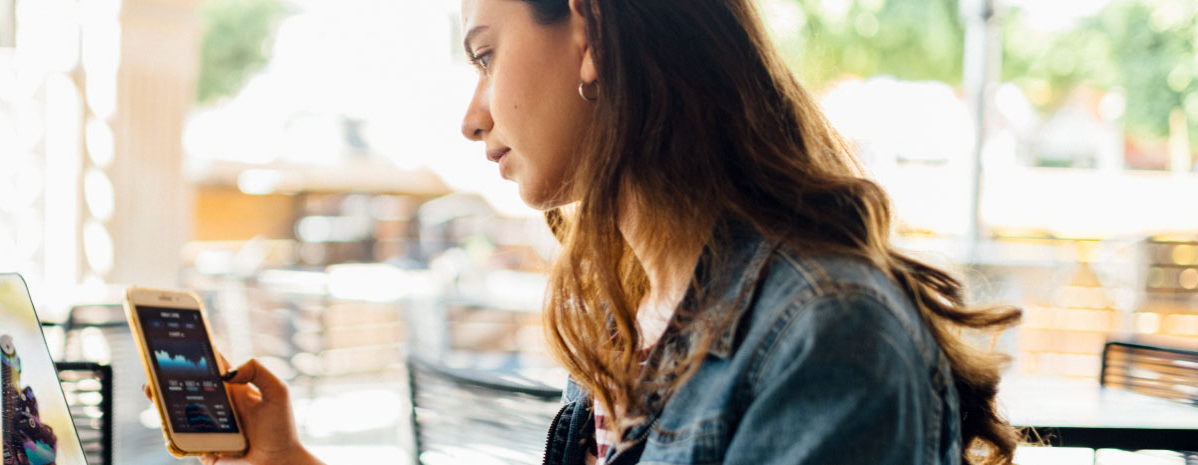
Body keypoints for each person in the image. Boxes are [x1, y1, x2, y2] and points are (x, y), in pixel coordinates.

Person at [179, 0, 1024, 463]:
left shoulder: (830, 335)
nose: (471, 118)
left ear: (586, 26)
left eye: (484, 55)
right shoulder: (628, 308)